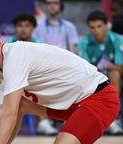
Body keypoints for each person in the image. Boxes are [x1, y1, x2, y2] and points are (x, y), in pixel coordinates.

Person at [34, 0, 79, 135]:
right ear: (46, 6)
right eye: (49, 3)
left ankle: (70, 120)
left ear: (60, 6)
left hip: (64, 68)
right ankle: (43, 122)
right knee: (36, 80)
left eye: (55, 3)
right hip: (44, 68)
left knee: (76, 79)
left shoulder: (69, 27)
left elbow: (72, 52)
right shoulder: (39, 27)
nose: (52, 5)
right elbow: (36, 51)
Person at [78, 11, 123, 135]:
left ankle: (113, 119)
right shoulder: (83, 43)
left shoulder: (117, 39)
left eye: (99, 26)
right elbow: (85, 72)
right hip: (92, 79)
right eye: (92, 27)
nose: (96, 31)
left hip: (111, 78)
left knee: (115, 74)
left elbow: (120, 69)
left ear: (106, 25)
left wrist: (109, 66)